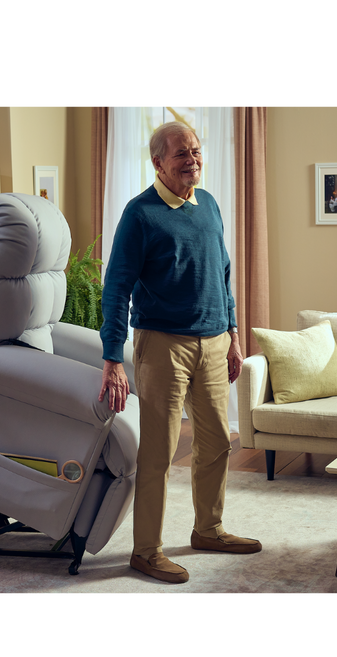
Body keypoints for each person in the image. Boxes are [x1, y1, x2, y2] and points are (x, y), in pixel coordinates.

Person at [98, 121, 262, 584]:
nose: (192, 159)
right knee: (159, 452)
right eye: (180, 154)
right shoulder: (140, 215)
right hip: (162, 345)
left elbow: (223, 272)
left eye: (195, 150)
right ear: (157, 163)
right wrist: (112, 359)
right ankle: (145, 551)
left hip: (213, 342)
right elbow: (117, 290)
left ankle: (208, 529)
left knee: (216, 442)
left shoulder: (207, 204)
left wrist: (231, 334)